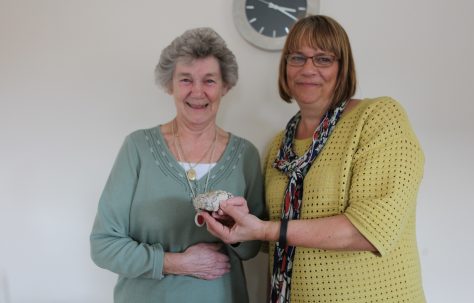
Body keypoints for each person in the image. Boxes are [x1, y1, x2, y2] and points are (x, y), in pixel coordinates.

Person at [202, 15, 426, 302]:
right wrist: (238, 221)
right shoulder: (278, 146)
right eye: (297, 58)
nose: (308, 68)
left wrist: (266, 228)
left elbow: (370, 231)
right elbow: (274, 239)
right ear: (285, 69)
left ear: (343, 68)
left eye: (323, 59)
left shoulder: (378, 119)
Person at [90, 27, 265, 303]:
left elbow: (255, 247)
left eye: (209, 80)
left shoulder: (245, 156)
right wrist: (176, 262)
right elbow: (103, 246)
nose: (197, 92)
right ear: (169, 84)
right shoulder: (137, 148)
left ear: (225, 86)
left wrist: (237, 231)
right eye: (186, 80)